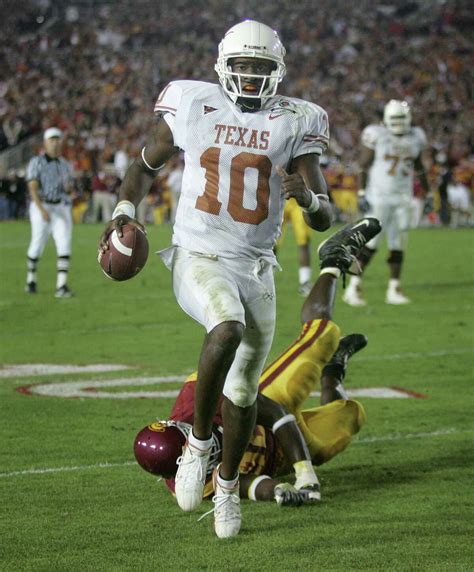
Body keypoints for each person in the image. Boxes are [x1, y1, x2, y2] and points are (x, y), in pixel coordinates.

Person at [99, 20, 334, 538]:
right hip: (198, 253)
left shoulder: (296, 120)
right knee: (224, 324)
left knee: (245, 390)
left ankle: (227, 489)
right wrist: (122, 210)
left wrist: (309, 198)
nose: (251, 77)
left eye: (261, 68)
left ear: (277, 72)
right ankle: (199, 446)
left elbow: (324, 216)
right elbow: (143, 166)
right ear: (224, 67)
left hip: (256, 266)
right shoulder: (192, 102)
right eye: (243, 66)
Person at [134, 217, 381, 513]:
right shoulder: (188, 487)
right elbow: (246, 484)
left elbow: (276, 411)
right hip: (278, 454)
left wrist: (305, 473)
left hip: (270, 401)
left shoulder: (196, 400)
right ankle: (334, 373)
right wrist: (278, 490)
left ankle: (333, 258)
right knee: (350, 416)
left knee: (322, 338)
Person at [343, 100, 431, 307]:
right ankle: (353, 287)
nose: (399, 123)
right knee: (370, 244)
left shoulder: (416, 137)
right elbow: (363, 165)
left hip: (402, 197)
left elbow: (419, 167)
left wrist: (426, 193)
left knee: (398, 243)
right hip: (379, 196)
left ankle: (394, 288)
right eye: (396, 119)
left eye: (402, 118)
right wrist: (363, 193)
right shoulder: (378, 135)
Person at [25, 127, 75, 298]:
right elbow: (32, 188)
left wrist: (69, 189)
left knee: (64, 243)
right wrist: (41, 209)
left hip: (60, 206)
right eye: (52, 140)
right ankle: (31, 279)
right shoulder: (36, 162)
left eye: (57, 140)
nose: (55, 143)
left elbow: (68, 187)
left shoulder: (65, 164)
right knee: (37, 244)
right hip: (43, 205)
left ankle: (61, 286)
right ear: (45, 143)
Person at [277, 198, 314, 296]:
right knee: (270, 241)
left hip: (298, 200)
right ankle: (262, 277)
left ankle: (305, 281)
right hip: (278, 197)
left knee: (303, 240)